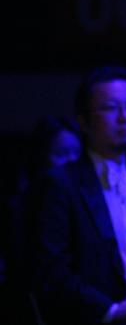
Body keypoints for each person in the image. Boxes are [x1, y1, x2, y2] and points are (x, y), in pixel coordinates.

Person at [33, 65, 126, 324]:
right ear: (83, 121)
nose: (125, 117)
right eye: (112, 108)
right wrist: (109, 311)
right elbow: (51, 268)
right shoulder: (61, 183)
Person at [1, 116, 83, 325]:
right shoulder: (23, 206)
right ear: (41, 156)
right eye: (61, 154)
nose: (71, 160)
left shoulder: (87, 204)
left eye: (77, 153)